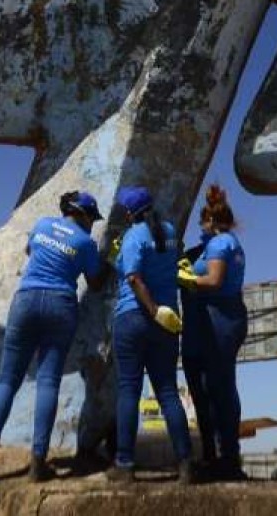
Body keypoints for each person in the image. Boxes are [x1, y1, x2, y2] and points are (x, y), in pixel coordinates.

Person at [0, 190, 105, 483]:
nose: (92, 224)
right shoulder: (85, 242)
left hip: (26, 299)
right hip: (61, 304)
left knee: (7, 380)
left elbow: (31, 252)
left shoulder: (42, 225)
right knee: (48, 381)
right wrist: (105, 263)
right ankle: (37, 462)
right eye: (92, 218)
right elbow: (95, 283)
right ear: (81, 214)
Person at [107, 185, 194, 485]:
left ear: (130, 213)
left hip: (135, 317)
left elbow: (133, 277)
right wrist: (162, 313)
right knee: (168, 391)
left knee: (129, 391)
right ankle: (185, 465)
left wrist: (152, 308)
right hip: (168, 323)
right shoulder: (170, 231)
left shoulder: (132, 236)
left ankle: (125, 465)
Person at [176, 183, 247, 480]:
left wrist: (183, 278)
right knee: (202, 389)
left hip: (220, 319)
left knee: (219, 388)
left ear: (211, 221)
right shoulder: (211, 246)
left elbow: (214, 280)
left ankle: (228, 457)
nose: (199, 228)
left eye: (202, 223)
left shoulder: (220, 244)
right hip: (206, 323)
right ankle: (212, 454)